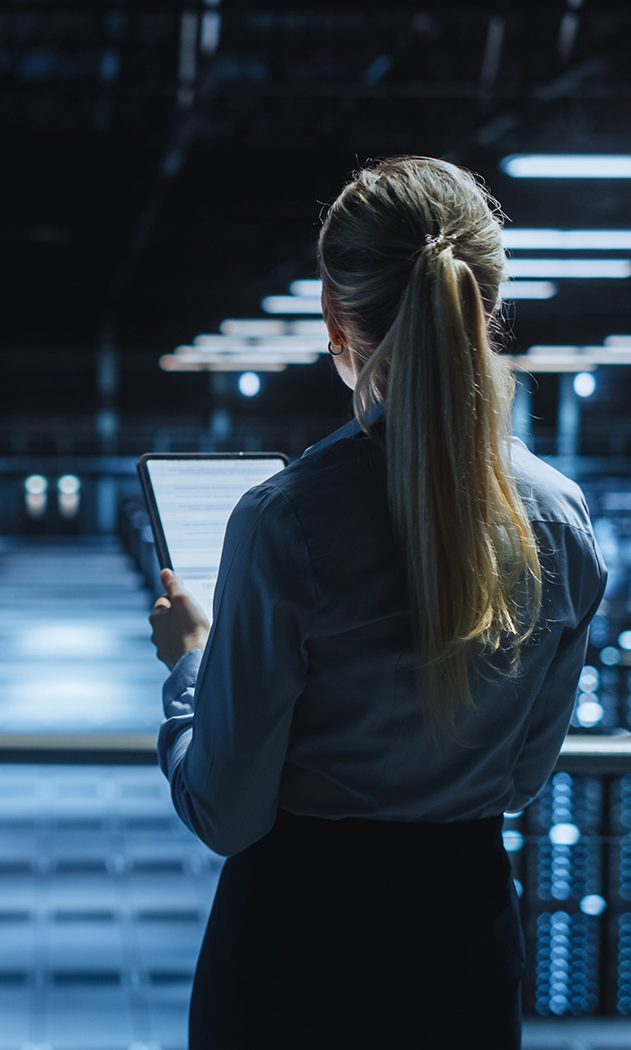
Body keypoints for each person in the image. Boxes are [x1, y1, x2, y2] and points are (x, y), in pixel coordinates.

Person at [148, 156, 606, 1050]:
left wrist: (191, 664)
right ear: (487, 306)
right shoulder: (560, 519)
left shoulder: (285, 522)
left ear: (335, 318)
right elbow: (520, 781)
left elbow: (226, 812)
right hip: (463, 951)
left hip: (297, 958)